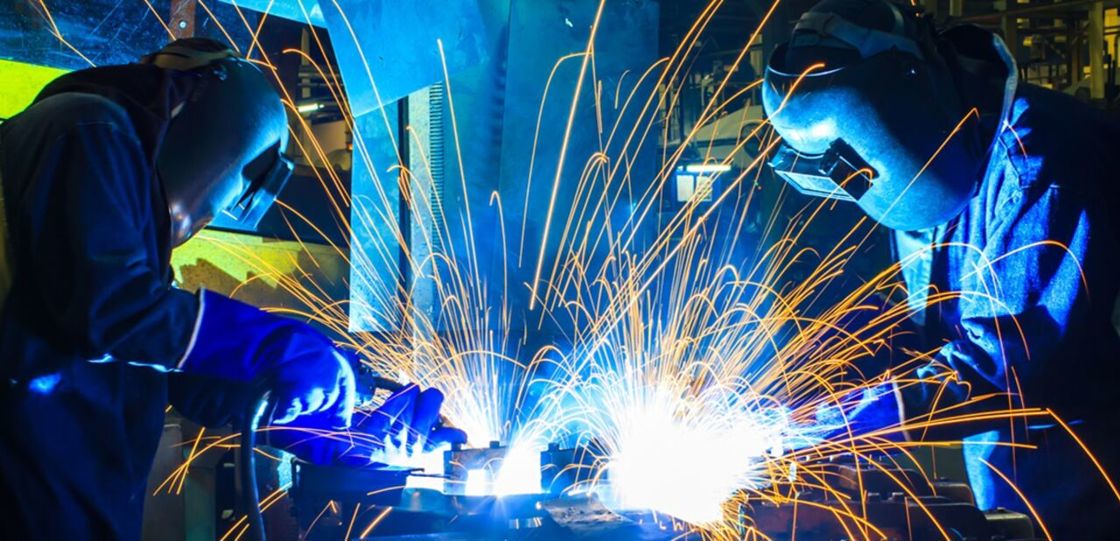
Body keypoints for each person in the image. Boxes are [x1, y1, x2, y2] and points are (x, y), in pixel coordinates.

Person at [0, 38, 461, 540]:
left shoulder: (117, 209)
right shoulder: (83, 128)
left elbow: (167, 372)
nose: (203, 221)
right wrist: (272, 346)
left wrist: (315, 424)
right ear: (213, 134)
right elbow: (113, 310)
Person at [762, 0, 1120, 535]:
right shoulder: (929, 152)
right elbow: (929, 316)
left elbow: (1017, 361)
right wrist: (822, 362)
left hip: (1090, 480)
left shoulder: (1044, 167)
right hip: (1006, 479)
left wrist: (884, 409)